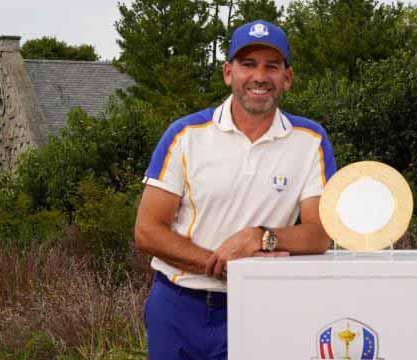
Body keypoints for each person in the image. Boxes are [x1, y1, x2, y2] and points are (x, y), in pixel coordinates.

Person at [134, 20, 337, 360]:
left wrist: (260, 237)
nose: (260, 76)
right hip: (177, 305)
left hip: (260, 306)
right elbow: (147, 230)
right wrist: (218, 264)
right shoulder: (185, 135)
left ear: (287, 77)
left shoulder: (311, 140)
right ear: (229, 73)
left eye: (271, 66)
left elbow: (319, 234)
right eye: (248, 64)